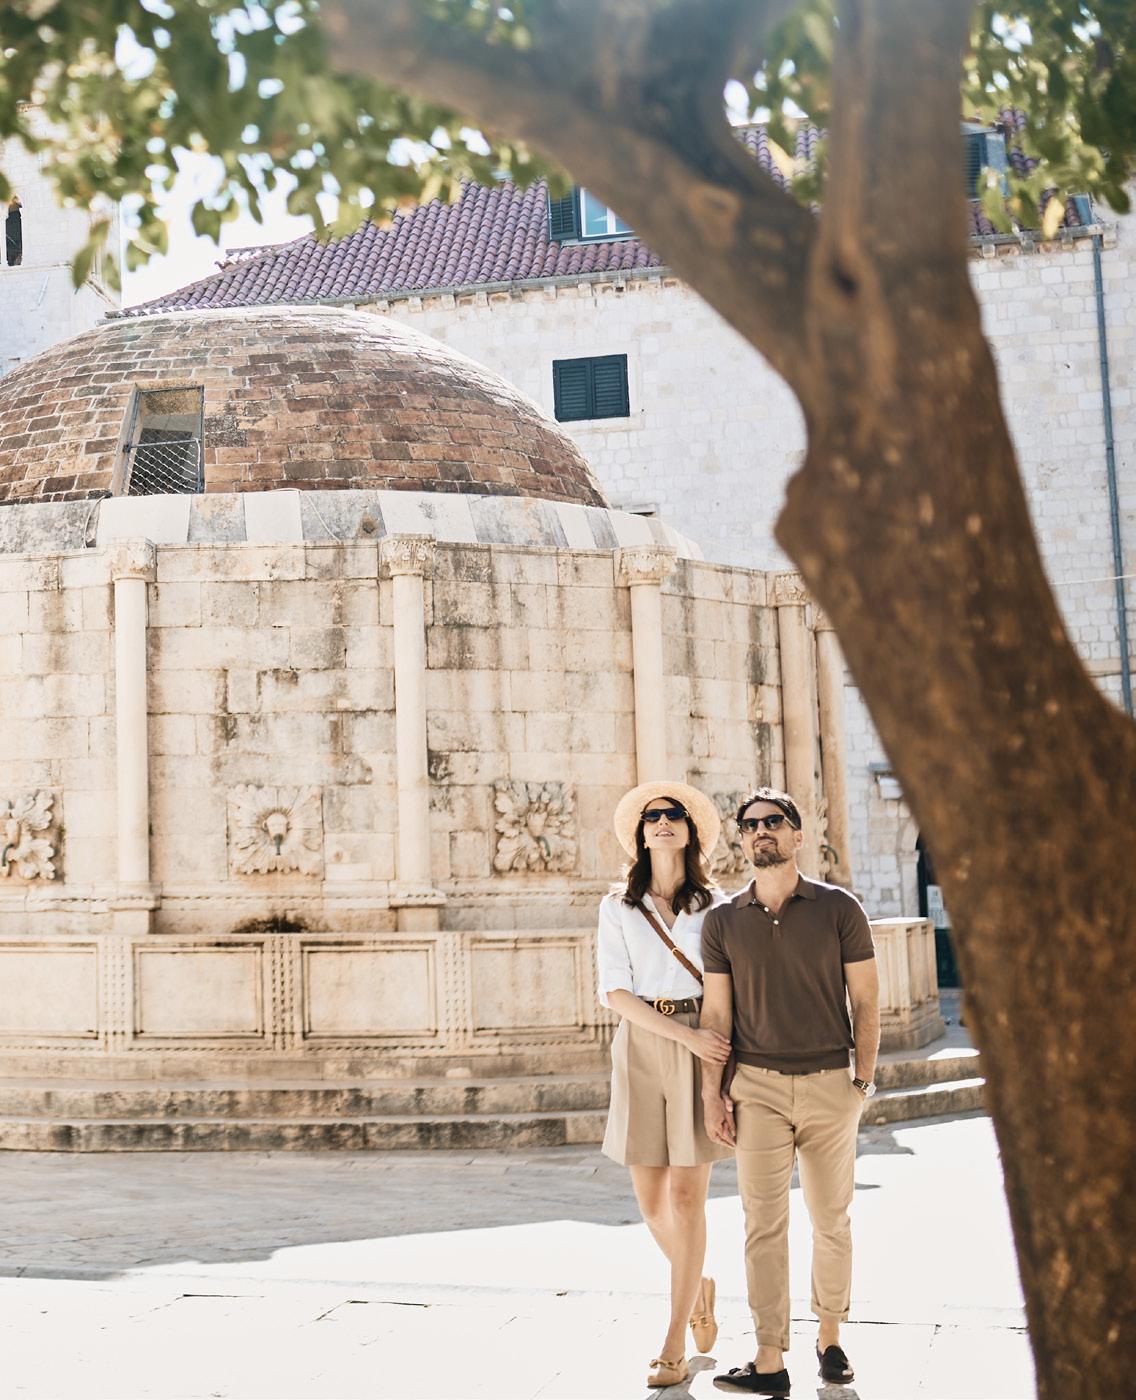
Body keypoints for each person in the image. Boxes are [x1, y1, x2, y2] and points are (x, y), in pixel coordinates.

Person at [700, 787, 880, 1397]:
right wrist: (713, 1094)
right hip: (757, 1090)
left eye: (773, 822)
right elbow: (716, 1017)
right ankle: (769, 1358)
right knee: (763, 1225)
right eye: (749, 825)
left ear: (798, 835)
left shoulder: (839, 908)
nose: (760, 831)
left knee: (831, 1220)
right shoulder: (723, 920)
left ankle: (830, 1340)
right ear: (742, 840)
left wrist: (862, 1081)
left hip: (831, 1085)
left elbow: (867, 1000)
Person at [596, 780, 734, 1391]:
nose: (662, 822)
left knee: (685, 1200)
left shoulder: (716, 906)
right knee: (651, 1204)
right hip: (644, 1045)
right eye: (652, 816)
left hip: (704, 1040)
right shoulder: (617, 907)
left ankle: (674, 1342)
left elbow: (725, 988)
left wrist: (710, 1065)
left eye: (674, 815)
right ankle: (696, 1281)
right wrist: (684, 1038)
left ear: (690, 831)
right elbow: (615, 991)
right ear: (641, 834)